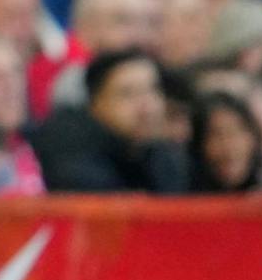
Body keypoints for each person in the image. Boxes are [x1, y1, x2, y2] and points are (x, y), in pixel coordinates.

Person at [32, 49, 187, 192]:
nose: (147, 107)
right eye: (127, 94)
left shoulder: (161, 154)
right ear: (96, 104)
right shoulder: (71, 155)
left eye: (153, 90)